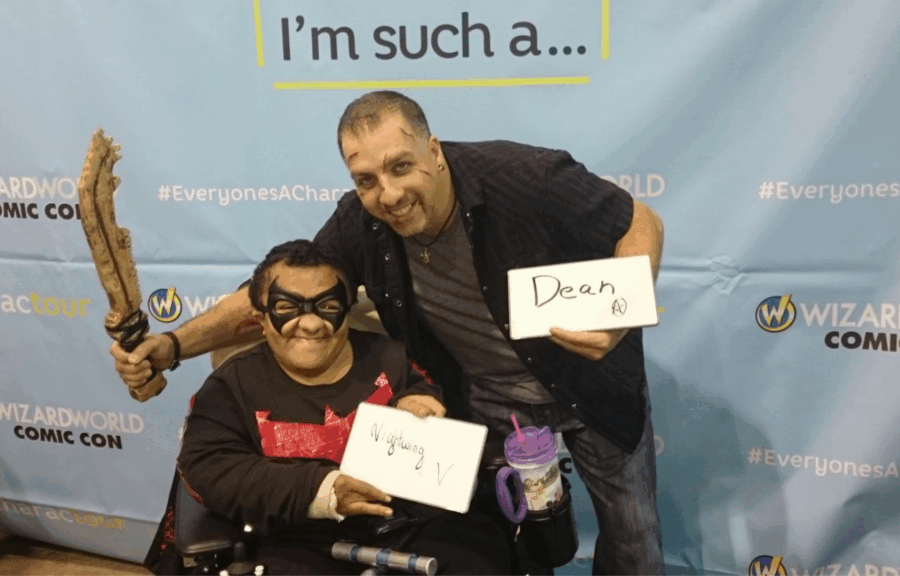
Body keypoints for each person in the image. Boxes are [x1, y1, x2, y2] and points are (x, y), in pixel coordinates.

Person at [116, 91, 666, 575]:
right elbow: (276, 292)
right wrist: (171, 346)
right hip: (484, 403)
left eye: (401, 166)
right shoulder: (363, 221)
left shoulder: (527, 178)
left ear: (435, 151)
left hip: (588, 383)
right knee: (515, 539)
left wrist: (621, 312)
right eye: (365, 180)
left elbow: (642, 221)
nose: (389, 194)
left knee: (632, 537)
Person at [177, 239, 509, 575]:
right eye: (287, 308)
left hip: (417, 527)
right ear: (260, 318)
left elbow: (423, 392)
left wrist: (421, 402)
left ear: (346, 310)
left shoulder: (389, 358)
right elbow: (206, 469)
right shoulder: (231, 386)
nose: (310, 324)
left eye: (327, 306)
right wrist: (321, 490)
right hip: (303, 538)